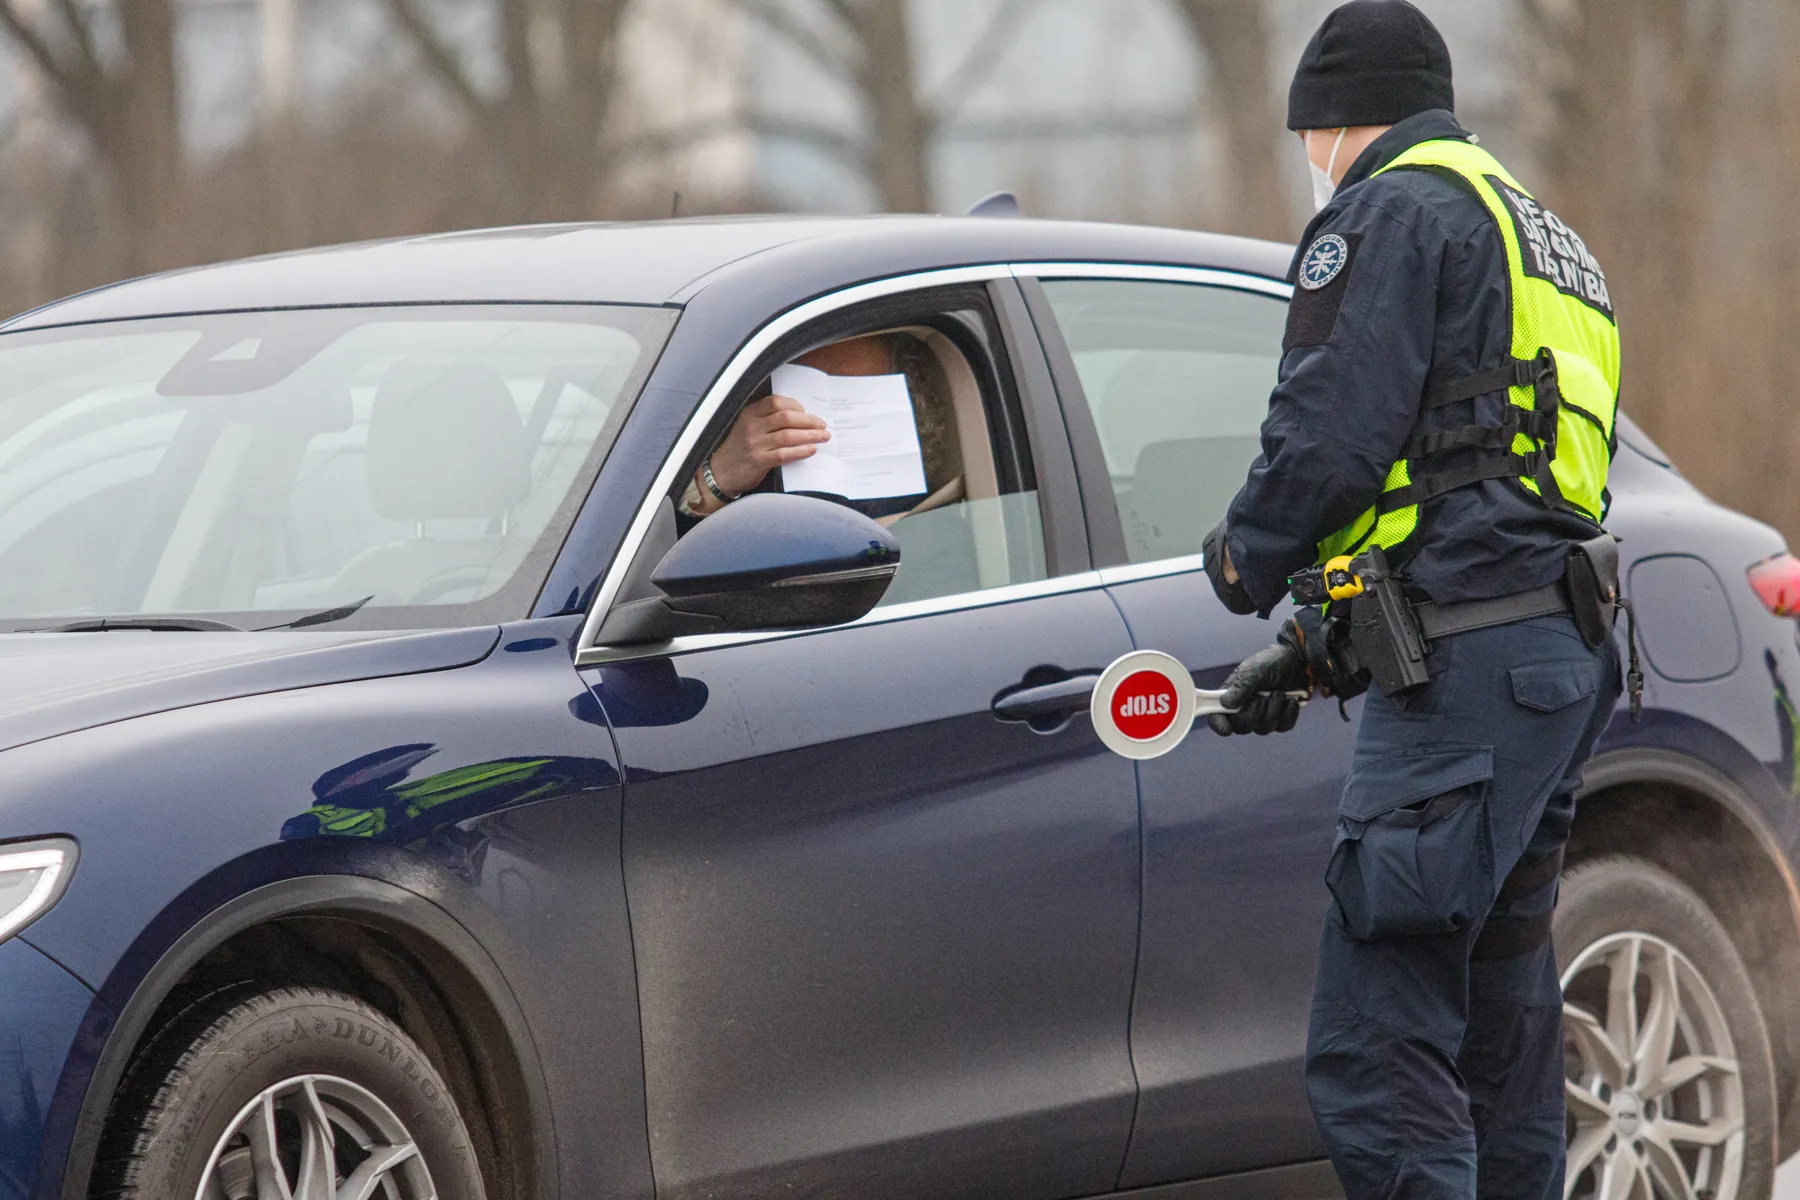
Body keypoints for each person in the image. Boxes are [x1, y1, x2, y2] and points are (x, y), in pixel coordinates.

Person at [1199, 3, 1624, 1197]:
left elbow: (1332, 441)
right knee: (1498, 1036)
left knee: (1379, 1049)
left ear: (1331, 119)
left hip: (1465, 684)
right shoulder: (1548, 237)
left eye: (1308, 135)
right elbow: (1478, 476)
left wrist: (1244, 560)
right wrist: (1315, 644)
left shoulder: (1387, 210)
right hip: (1554, 658)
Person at [679, 334, 964, 523]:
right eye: (804, 389)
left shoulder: (938, 518)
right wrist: (720, 477)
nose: (821, 423)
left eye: (852, 398)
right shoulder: (755, 471)